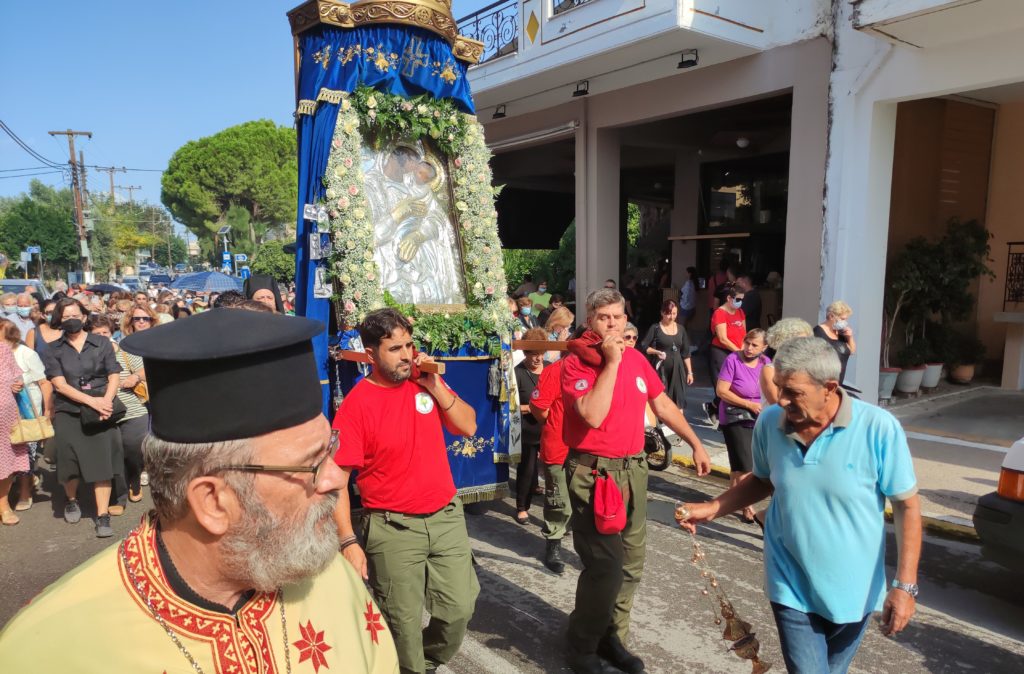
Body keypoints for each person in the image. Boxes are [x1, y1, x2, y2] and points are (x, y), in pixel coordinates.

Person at [0, 309, 400, 672]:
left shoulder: (328, 576)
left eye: (330, 448)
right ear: (213, 501)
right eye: (313, 463)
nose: (334, 478)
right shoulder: (51, 651)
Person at [679, 337, 921, 674]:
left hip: (856, 588)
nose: (781, 399)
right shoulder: (769, 422)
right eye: (778, 387)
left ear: (829, 388)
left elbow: (908, 506)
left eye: (793, 391)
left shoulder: (878, 429)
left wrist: (905, 586)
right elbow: (763, 479)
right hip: (790, 580)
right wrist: (713, 507)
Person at [560, 288, 710, 674]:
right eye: (604, 317)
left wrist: (695, 443)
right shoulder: (576, 363)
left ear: (626, 318)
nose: (613, 323)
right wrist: (609, 363)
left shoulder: (638, 361)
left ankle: (611, 636)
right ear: (590, 320)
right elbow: (591, 416)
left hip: (633, 470)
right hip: (595, 474)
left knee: (631, 565)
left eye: (618, 316)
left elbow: (662, 404)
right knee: (605, 568)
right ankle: (582, 646)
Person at [332, 308, 479, 674]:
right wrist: (348, 542)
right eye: (395, 348)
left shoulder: (424, 384)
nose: (407, 355)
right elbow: (335, 481)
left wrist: (435, 386)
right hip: (393, 528)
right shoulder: (356, 407)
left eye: (410, 345)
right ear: (370, 355)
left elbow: (469, 426)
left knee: (460, 607)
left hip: (445, 517)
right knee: (402, 623)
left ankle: (427, 660)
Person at [42, 297, 125, 537]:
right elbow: (59, 385)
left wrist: (106, 402)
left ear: (84, 316)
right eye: (66, 316)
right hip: (69, 411)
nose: (71, 320)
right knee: (69, 462)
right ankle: (71, 499)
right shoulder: (52, 349)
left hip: (102, 409)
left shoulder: (101, 343)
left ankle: (102, 515)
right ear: (59, 320)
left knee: (102, 463)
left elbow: (114, 375)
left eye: (75, 315)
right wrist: (93, 402)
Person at [529, 337, 575, 574]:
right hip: (558, 446)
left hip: (588, 447)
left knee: (585, 500)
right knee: (558, 500)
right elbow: (537, 405)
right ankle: (553, 545)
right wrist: (555, 423)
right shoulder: (556, 371)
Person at [715, 329, 770, 523]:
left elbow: (771, 388)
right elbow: (721, 391)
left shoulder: (766, 363)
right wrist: (748, 404)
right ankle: (747, 506)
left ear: (764, 347)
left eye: (755, 345)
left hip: (757, 416)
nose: (749, 348)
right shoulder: (732, 360)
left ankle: (732, 497)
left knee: (739, 463)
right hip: (735, 416)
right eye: (747, 343)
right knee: (747, 464)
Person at [0, 319, 51, 513]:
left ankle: (24, 492)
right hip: (9, 411)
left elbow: (43, 382)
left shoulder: (26, 353)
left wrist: (47, 409)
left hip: (25, 409)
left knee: (26, 454)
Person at [514, 327, 547, 525]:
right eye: (533, 355)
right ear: (525, 353)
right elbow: (511, 405)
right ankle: (522, 507)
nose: (538, 359)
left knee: (553, 470)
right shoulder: (518, 373)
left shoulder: (551, 368)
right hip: (527, 430)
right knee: (526, 468)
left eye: (541, 354)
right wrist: (532, 408)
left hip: (549, 427)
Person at [703, 284, 746, 428]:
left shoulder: (740, 312)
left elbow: (744, 333)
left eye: (742, 299)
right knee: (723, 388)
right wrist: (739, 352)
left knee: (736, 386)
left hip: (737, 351)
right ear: (729, 298)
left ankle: (713, 406)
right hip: (721, 352)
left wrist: (745, 349)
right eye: (738, 299)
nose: (740, 302)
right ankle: (724, 421)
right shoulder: (719, 313)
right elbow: (722, 338)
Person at [641, 300, 694, 411]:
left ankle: (678, 423)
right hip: (662, 370)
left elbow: (686, 353)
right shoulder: (655, 328)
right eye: (668, 313)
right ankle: (662, 425)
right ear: (662, 313)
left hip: (678, 369)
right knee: (662, 398)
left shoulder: (681, 329)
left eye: (674, 313)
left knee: (679, 399)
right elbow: (644, 346)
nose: (671, 317)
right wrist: (656, 352)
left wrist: (689, 372)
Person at [0, 339, 29, 525]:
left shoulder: (2, 348)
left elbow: (17, 376)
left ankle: (3, 505)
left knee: (6, 460)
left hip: (4, 415)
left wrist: (17, 384)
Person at [761, 317, 814, 405]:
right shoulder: (770, 370)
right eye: (799, 341)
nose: (804, 345)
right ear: (784, 341)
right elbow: (778, 402)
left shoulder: (805, 367)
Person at [815, 300, 857, 385]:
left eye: (846, 319)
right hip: (823, 383)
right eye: (842, 319)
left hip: (838, 383)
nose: (845, 322)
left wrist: (850, 337)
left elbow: (851, 351)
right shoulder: (818, 332)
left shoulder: (841, 332)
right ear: (831, 316)